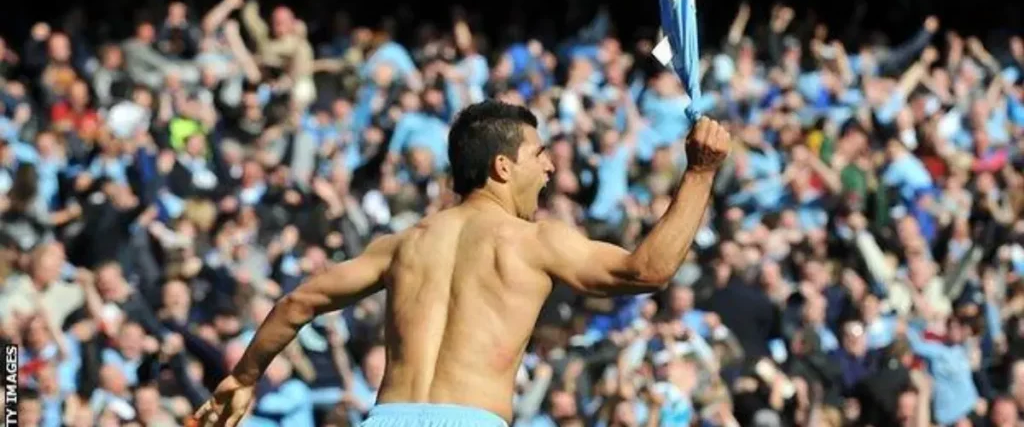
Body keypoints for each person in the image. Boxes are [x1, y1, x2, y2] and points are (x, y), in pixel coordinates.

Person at [193, 100, 731, 427]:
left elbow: (298, 301)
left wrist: (243, 377)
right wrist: (701, 172)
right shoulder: (532, 242)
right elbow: (647, 271)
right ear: (502, 167)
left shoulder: (404, 243)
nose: (548, 168)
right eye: (539, 155)